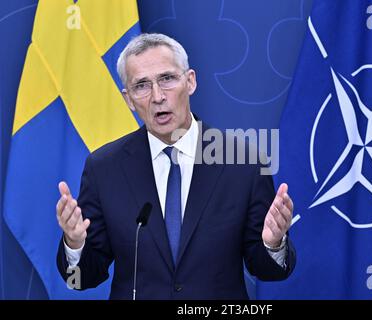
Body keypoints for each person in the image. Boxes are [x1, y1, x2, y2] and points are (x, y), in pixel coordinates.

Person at [56, 33, 296, 299]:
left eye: (167, 79)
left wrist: (273, 244)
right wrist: (75, 245)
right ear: (128, 99)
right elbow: (81, 279)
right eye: (142, 85)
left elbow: (269, 271)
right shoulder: (104, 169)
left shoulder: (243, 163)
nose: (157, 96)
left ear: (190, 81)